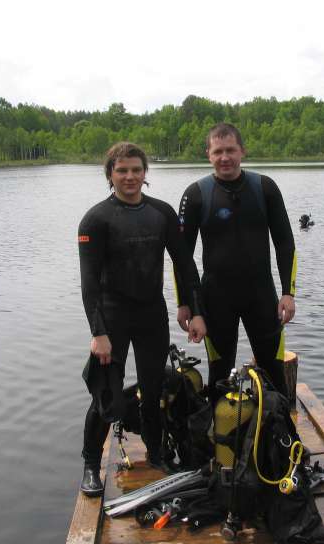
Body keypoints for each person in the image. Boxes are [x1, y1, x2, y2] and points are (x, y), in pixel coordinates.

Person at [78, 142, 206, 496]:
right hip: (113, 318)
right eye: (122, 170)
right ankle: (90, 463)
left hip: (152, 314)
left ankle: (157, 451)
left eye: (136, 170)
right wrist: (98, 332)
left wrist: (195, 311)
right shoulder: (96, 219)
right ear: (110, 175)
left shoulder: (161, 213)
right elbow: (89, 283)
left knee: (153, 391)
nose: (130, 176)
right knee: (107, 396)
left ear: (144, 173)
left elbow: (185, 265)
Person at [175, 123, 296, 401]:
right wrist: (186, 304)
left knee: (274, 374)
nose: (224, 157)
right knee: (219, 376)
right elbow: (182, 256)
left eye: (230, 150)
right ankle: (222, 440)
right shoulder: (195, 194)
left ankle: (278, 439)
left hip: (262, 298)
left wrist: (289, 294)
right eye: (218, 151)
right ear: (208, 154)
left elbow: (285, 244)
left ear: (242, 151)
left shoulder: (265, 188)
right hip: (216, 300)